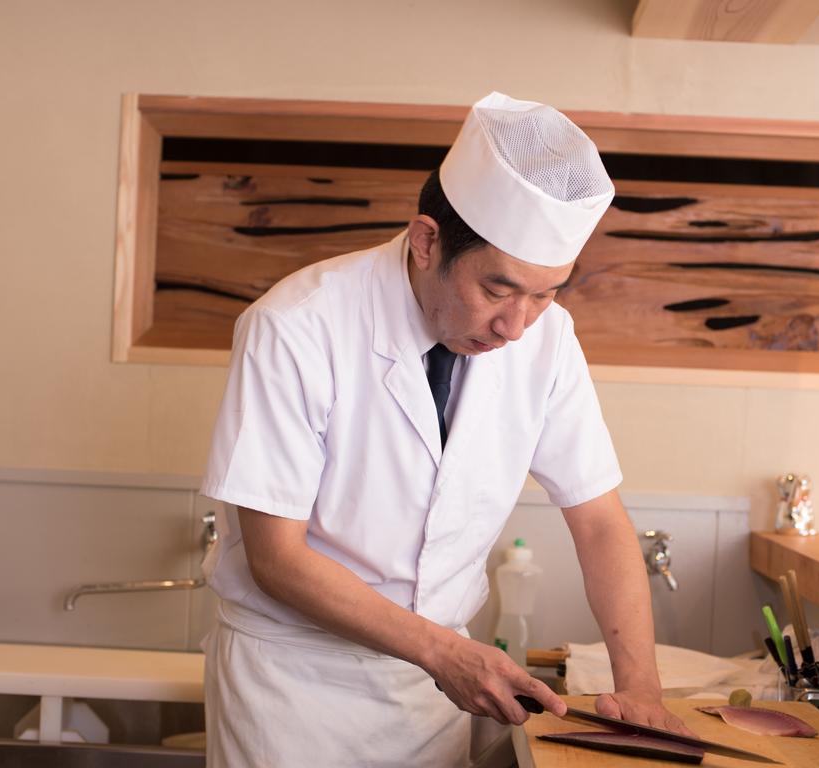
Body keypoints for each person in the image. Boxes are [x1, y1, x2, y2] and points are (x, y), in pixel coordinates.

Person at [199, 91, 690, 767]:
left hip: (435, 693)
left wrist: (641, 690)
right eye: (497, 289)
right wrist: (446, 653)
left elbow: (599, 518)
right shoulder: (297, 325)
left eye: (546, 294)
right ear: (428, 241)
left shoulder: (546, 342)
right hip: (292, 687)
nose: (516, 327)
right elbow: (276, 557)